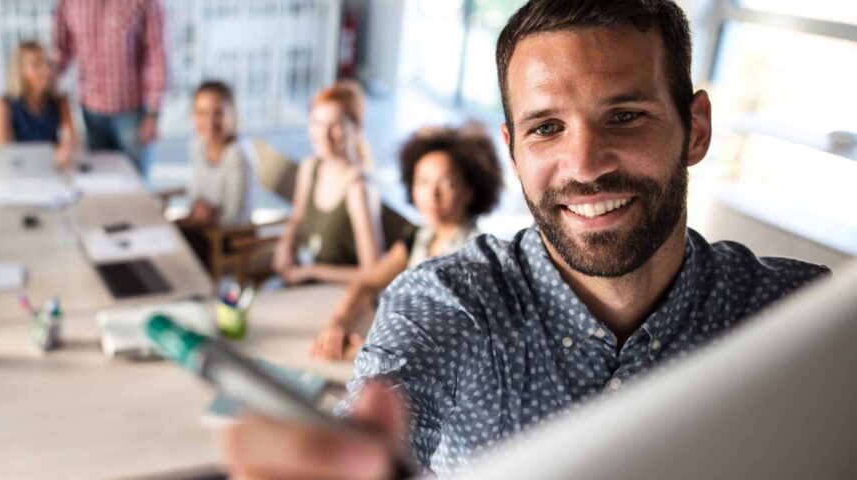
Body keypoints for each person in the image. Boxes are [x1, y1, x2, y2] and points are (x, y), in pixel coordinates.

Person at [222, 0, 831, 477]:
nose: (586, 164)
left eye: (625, 115)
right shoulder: (443, 304)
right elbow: (383, 415)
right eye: (547, 128)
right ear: (514, 151)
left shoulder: (805, 321)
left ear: (695, 129)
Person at [310, 126, 502, 361]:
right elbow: (368, 283)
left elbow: (455, 339)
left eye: (447, 183)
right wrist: (337, 325)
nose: (431, 194)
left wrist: (368, 352)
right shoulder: (418, 235)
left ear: (470, 191)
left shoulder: (477, 253)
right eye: (422, 181)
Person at [272, 82, 381, 285]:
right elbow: (296, 218)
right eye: (317, 123)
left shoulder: (359, 188)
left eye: (336, 125)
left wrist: (312, 272)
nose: (324, 134)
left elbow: (372, 272)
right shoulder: (310, 166)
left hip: (340, 293)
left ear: (356, 127)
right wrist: (284, 249)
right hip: (304, 279)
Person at [53, 0, 168, 178]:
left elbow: (157, 54)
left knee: (134, 182)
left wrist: (153, 113)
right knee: (99, 180)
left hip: (132, 112)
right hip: (90, 111)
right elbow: (60, 51)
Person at [175, 80, 254, 269]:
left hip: (228, 237)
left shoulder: (238, 156)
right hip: (202, 226)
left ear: (232, 115)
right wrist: (198, 209)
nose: (210, 122)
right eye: (202, 113)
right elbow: (195, 193)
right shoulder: (198, 144)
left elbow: (235, 217)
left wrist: (203, 218)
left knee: (175, 250)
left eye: (218, 113)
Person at [0, 41, 80, 169]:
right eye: (36, 64)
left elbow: (70, 139)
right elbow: (5, 152)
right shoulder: (3, 105)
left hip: (52, 170)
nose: (46, 69)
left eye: (47, 63)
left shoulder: (59, 101)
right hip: (20, 173)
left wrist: (68, 148)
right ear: (20, 70)